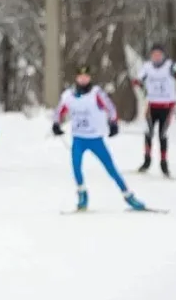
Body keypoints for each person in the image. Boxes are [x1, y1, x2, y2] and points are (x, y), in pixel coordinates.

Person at [52, 66, 146, 211]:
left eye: (86, 76)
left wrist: (113, 123)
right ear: (76, 78)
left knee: (111, 169)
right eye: (80, 76)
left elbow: (111, 108)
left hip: (95, 138)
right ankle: (82, 194)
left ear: (90, 78)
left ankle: (128, 196)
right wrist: (56, 124)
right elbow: (59, 111)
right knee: (76, 167)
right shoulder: (68, 95)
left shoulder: (96, 93)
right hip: (78, 139)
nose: (83, 79)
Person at [131, 44, 176, 177]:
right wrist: (137, 82)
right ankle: (147, 161)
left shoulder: (170, 65)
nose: (156, 57)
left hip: (167, 106)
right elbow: (138, 79)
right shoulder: (147, 66)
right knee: (148, 132)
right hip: (152, 105)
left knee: (162, 134)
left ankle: (164, 164)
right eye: (154, 54)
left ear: (163, 55)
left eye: (159, 54)